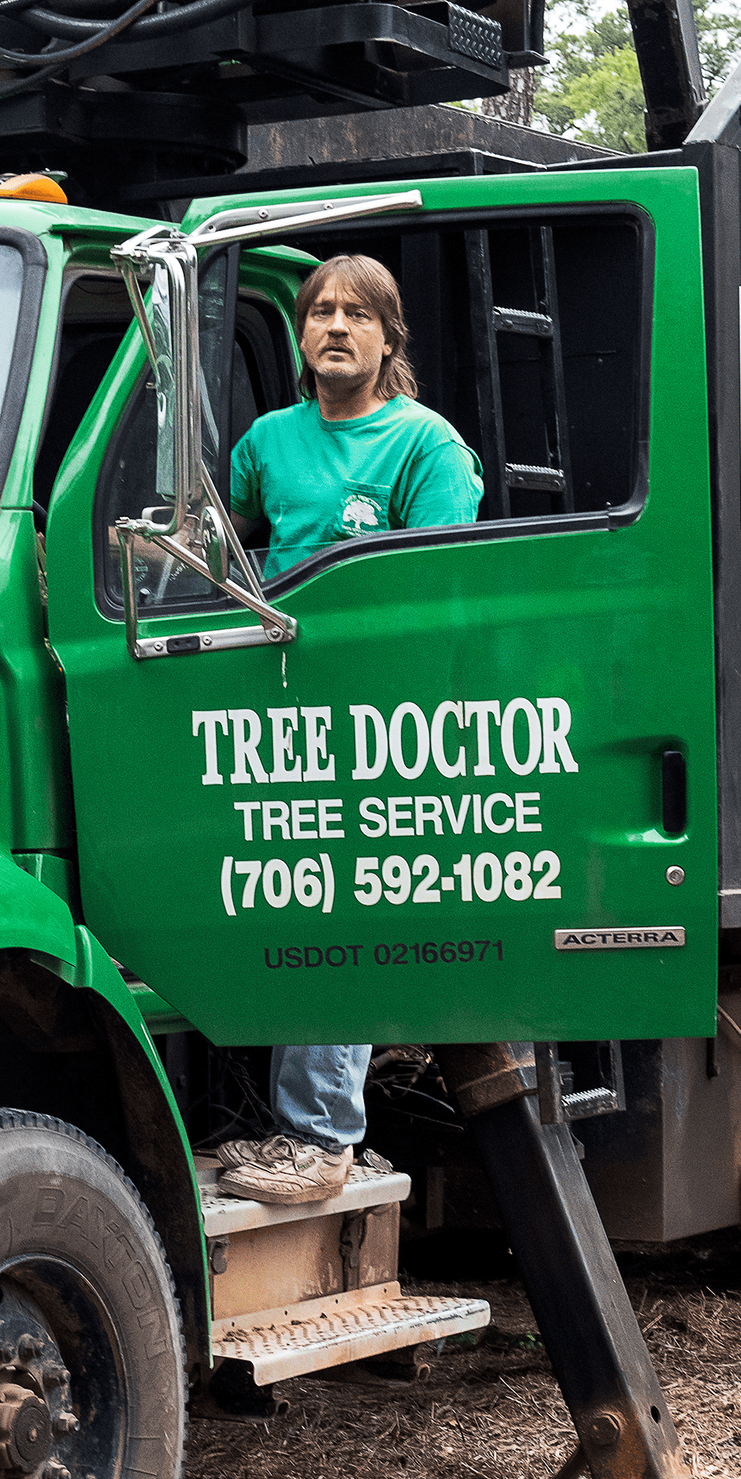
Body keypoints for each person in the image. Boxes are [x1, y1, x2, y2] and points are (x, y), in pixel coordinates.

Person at [212, 254, 483, 1206]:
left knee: (338, 910)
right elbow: (221, 550)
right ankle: (300, 1126)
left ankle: (322, 1139)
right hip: (279, 708)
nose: (335, 326)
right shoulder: (266, 443)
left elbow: (442, 600)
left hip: (377, 715)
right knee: (291, 904)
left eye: (357, 314)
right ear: (300, 334)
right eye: (320, 311)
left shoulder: (426, 447)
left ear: (388, 336)